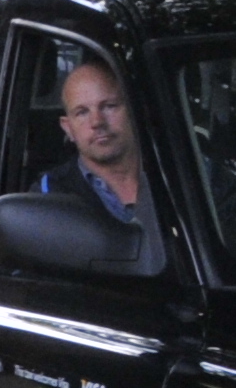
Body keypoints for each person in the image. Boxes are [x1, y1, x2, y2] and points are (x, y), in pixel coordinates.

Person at [43, 54, 167, 270]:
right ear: (67, 127)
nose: (97, 122)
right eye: (82, 112)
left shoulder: (193, 174)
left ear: (135, 111)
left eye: (109, 106)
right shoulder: (49, 196)